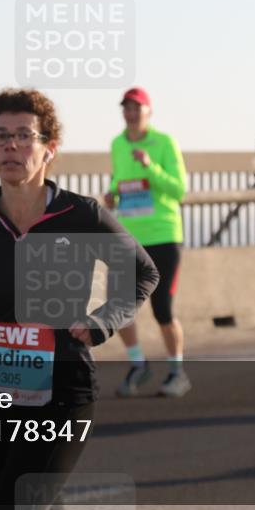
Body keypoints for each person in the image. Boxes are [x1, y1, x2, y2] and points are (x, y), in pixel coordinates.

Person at [0, 88, 160, 510]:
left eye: (24, 136)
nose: (11, 146)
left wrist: (102, 322)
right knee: (29, 509)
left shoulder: (81, 216)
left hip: (63, 392)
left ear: (48, 149)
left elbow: (143, 273)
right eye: (1, 137)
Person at [102, 87, 190, 397]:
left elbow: (179, 190)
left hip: (164, 235)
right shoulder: (117, 144)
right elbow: (119, 180)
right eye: (126, 107)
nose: (131, 112)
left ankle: (177, 372)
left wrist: (151, 167)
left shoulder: (164, 143)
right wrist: (111, 194)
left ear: (148, 112)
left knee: (162, 309)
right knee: (119, 306)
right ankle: (138, 364)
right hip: (128, 237)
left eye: (137, 107)